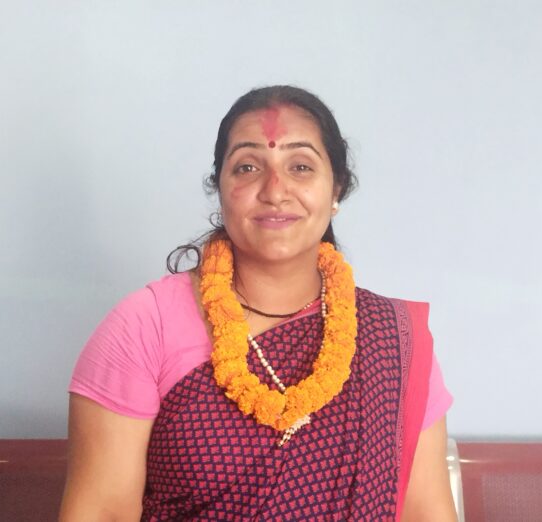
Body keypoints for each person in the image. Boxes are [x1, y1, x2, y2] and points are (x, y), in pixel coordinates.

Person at [59, 85, 457, 521]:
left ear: (336, 189)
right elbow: (102, 512)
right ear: (220, 188)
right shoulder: (144, 326)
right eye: (247, 167)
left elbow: (426, 512)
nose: (275, 190)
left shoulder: (394, 340)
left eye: (300, 167)